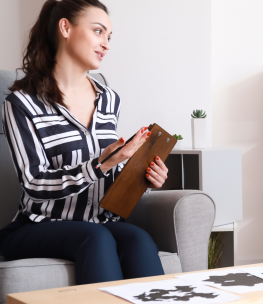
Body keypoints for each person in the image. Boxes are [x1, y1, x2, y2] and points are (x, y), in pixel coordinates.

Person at [0, 0, 169, 285]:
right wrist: (102, 164)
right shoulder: (22, 102)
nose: (106, 44)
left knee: (138, 238)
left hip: (98, 221)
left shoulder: (109, 99)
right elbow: (33, 183)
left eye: (109, 37)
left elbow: (107, 176)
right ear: (65, 27)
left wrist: (142, 177)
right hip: (39, 225)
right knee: (96, 237)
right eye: (98, 31)